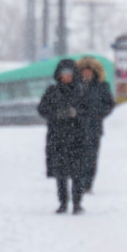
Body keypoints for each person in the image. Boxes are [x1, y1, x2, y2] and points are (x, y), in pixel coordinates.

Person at [37, 58, 88, 214]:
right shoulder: (52, 91)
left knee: (77, 173)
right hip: (57, 138)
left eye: (69, 74)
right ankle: (63, 202)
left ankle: (77, 202)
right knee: (61, 173)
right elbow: (42, 109)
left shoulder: (81, 91)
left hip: (77, 137)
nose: (66, 77)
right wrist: (57, 114)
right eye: (63, 74)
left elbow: (89, 112)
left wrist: (76, 114)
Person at [75, 56, 114, 194]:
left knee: (91, 156)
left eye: (89, 71)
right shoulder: (74, 86)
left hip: (94, 127)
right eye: (84, 71)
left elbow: (109, 104)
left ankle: (87, 183)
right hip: (76, 127)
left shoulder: (102, 86)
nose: (86, 74)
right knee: (77, 155)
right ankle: (77, 181)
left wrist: (98, 114)